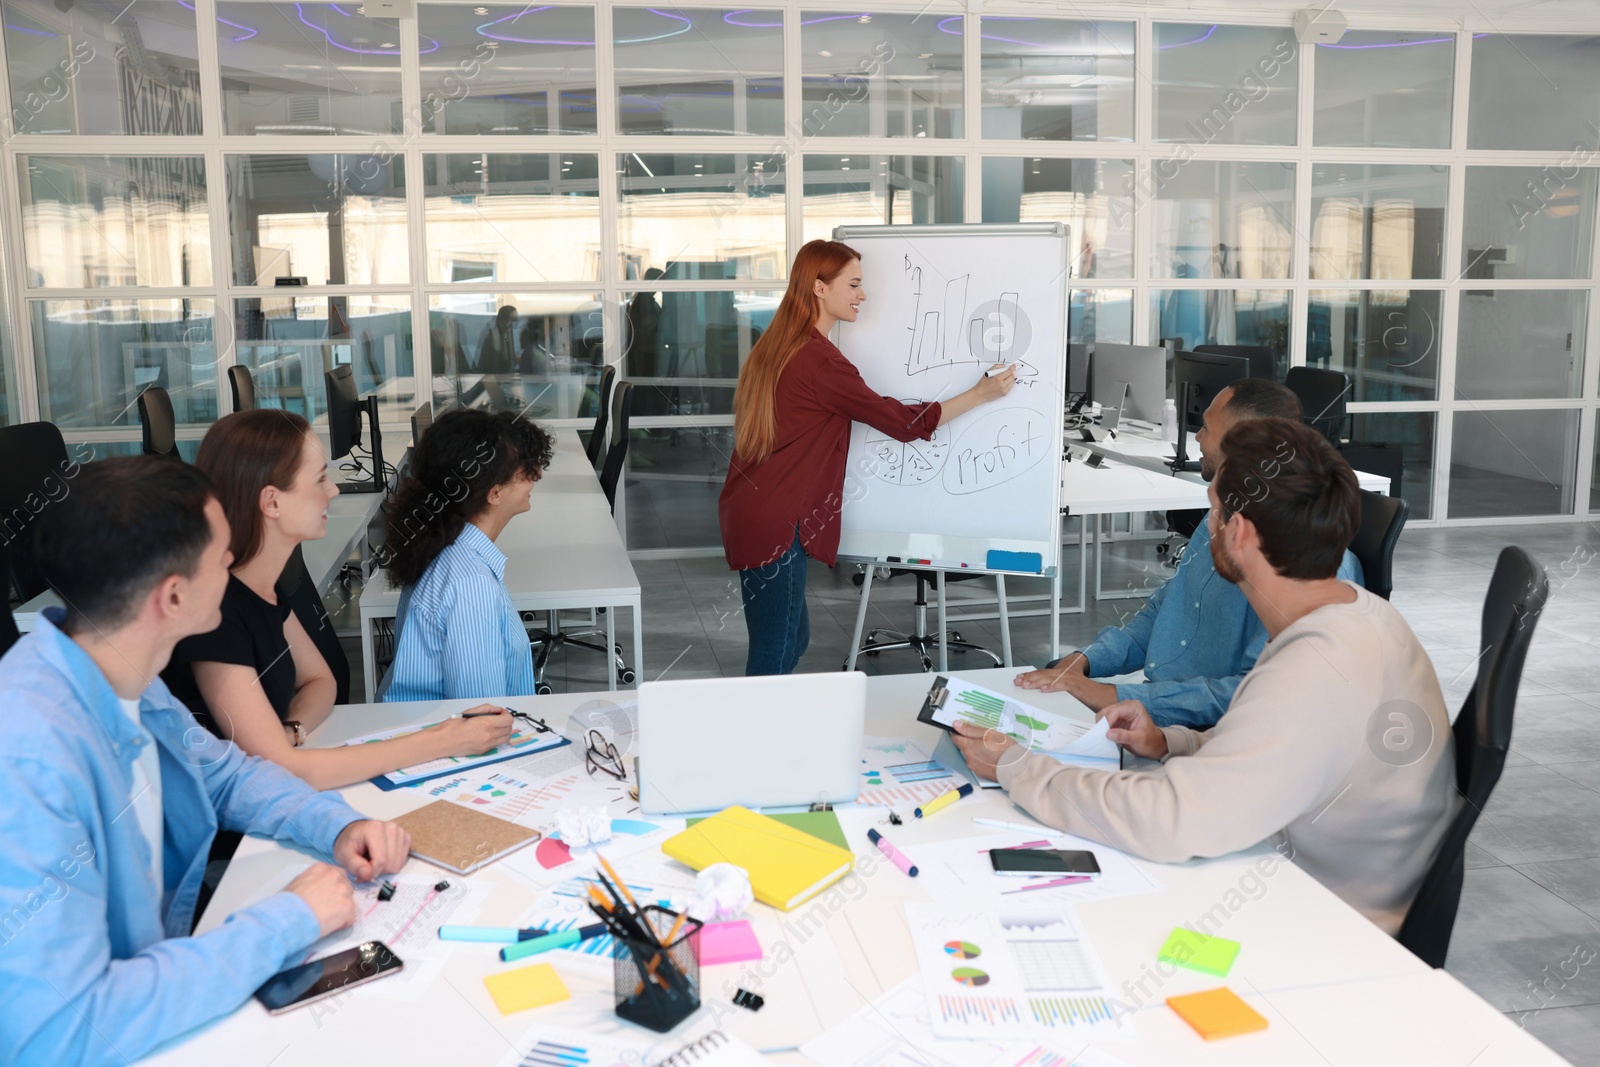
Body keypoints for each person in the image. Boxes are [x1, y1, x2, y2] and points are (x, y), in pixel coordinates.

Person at [952, 419, 1457, 935]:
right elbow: (1277, 748)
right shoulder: (1362, 616)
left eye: (1214, 509)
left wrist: (1018, 766)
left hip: (1329, 925)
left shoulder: (1312, 668)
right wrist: (1170, 741)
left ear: (1237, 532)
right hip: (1308, 873)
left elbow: (1171, 820)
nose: (1207, 522)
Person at [0, 458, 412, 1064]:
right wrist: (289, 919)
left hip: (166, 982)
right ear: (172, 596)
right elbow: (59, 1034)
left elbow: (224, 774)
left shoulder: (115, 666)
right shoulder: (32, 760)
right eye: (222, 555)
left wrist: (337, 824)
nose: (232, 563)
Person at [162, 411, 512, 789]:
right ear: (272, 502)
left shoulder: (262, 586)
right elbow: (282, 770)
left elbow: (319, 679)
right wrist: (442, 740)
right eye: (319, 479)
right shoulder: (214, 612)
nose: (333, 490)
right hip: (232, 838)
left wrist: (291, 729)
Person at [719, 239, 1016, 675]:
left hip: (756, 511)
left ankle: (767, 724)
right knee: (775, 650)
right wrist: (979, 393)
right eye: (854, 284)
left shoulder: (779, 345)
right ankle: (758, 737)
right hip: (777, 523)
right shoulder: (819, 361)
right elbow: (904, 423)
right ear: (819, 288)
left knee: (790, 636)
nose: (863, 295)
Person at [1015, 379, 1362, 728]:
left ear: (1242, 440)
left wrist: (1112, 696)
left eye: (1207, 427)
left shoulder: (1310, 573)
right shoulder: (1225, 514)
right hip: (1159, 715)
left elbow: (1254, 696)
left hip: (1210, 732)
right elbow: (1165, 613)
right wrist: (1085, 663)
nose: (1196, 436)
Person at [380, 408, 555, 702]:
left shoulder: (437, 542)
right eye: (526, 472)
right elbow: (481, 712)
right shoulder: (471, 583)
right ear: (494, 493)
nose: (536, 476)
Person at [476, 305, 518, 374]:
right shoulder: (493, 334)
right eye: (512, 320)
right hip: (494, 374)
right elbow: (493, 360)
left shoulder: (506, 332)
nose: (514, 323)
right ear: (506, 319)